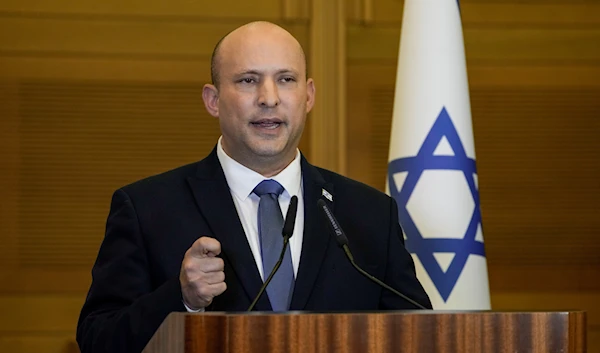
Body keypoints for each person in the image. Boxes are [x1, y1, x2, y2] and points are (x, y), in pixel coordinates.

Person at [76, 21, 431, 353]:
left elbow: (421, 336)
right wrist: (180, 298)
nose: (269, 98)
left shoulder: (370, 214)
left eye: (286, 79)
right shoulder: (147, 209)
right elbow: (97, 339)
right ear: (213, 100)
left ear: (308, 96)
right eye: (248, 80)